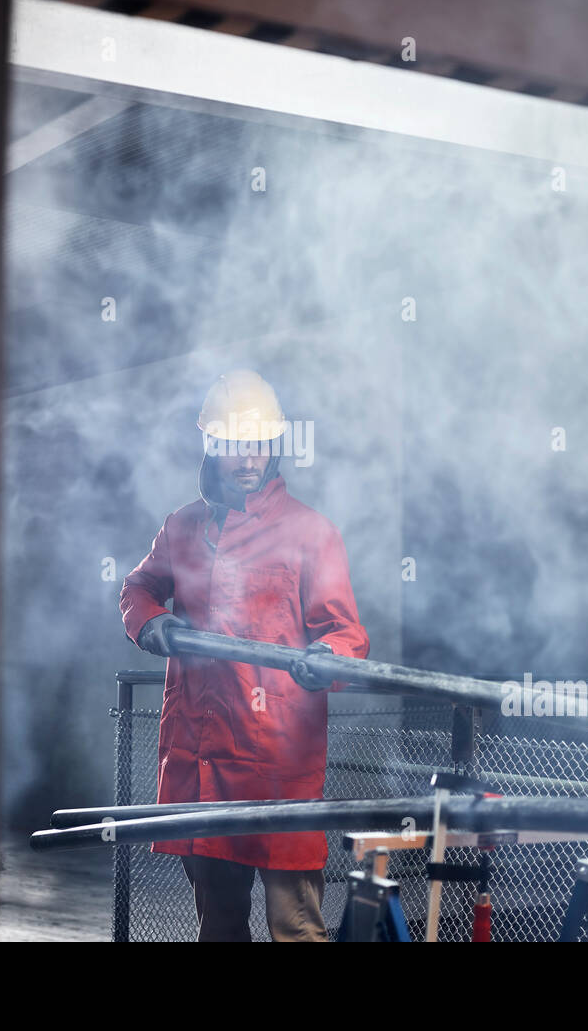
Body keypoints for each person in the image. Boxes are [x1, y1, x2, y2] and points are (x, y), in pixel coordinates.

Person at [120, 369, 370, 941]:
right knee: (220, 927)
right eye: (235, 444)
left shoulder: (311, 534)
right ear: (212, 444)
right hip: (203, 760)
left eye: (258, 443)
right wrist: (151, 623)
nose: (248, 458)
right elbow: (136, 589)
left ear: (274, 446)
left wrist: (327, 655)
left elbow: (348, 633)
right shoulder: (181, 528)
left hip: (278, 763)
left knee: (296, 929)